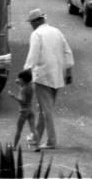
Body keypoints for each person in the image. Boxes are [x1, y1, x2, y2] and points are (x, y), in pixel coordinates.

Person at [23, 8, 74, 151]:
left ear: (37, 21)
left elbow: (33, 55)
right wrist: (68, 72)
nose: (31, 25)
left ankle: (51, 140)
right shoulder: (56, 31)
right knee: (45, 108)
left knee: (46, 110)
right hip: (57, 76)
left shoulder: (37, 34)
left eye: (31, 23)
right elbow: (67, 52)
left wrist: (25, 71)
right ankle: (36, 137)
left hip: (42, 76)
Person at [8, 68, 37, 149]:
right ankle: (37, 146)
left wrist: (13, 96)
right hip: (30, 110)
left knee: (19, 130)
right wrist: (19, 84)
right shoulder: (30, 86)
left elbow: (22, 101)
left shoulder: (23, 90)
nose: (18, 80)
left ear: (23, 80)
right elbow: (23, 86)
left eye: (19, 79)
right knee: (33, 129)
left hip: (23, 111)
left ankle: (14, 146)